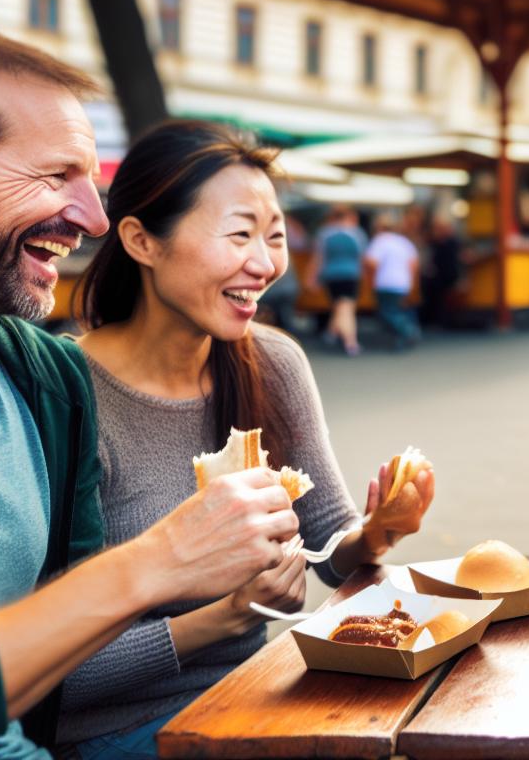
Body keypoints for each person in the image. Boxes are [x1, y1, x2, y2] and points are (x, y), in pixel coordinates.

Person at [0, 22, 295, 758]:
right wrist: (158, 560)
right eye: (56, 177)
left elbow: (63, 651)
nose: (94, 218)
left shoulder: (46, 378)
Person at [61, 121, 433, 756]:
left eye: (276, 237)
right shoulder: (68, 393)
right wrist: (226, 617)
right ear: (141, 240)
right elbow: (49, 671)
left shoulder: (272, 362)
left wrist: (376, 532)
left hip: (248, 700)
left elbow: (330, 543)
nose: (265, 265)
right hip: (109, 734)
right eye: (239, 235)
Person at [308, 204, 366, 354]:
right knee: (346, 308)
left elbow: (318, 258)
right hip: (351, 274)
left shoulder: (324, 233)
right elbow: (362, 257)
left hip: (331, 275)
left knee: (339, 306)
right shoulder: (357, 233)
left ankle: (331, 333)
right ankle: (351, 342)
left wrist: (312, 278)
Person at [365, 210, 422, 350]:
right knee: (397, 310)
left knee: (388, 312)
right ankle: (401, 335)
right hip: (403, 283)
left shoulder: (380, 241)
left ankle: (408, 330)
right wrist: (412, 283)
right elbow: (414, 264)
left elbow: (371, 263)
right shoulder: (404, 242)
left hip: (385, 282)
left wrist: (370, 280)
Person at [419, 213, 464, 329]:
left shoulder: (452, 242)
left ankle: (438, 320)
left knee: (438, 295)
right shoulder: (437, 242)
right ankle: (433, 319)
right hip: (439, 275)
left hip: (448, 275)